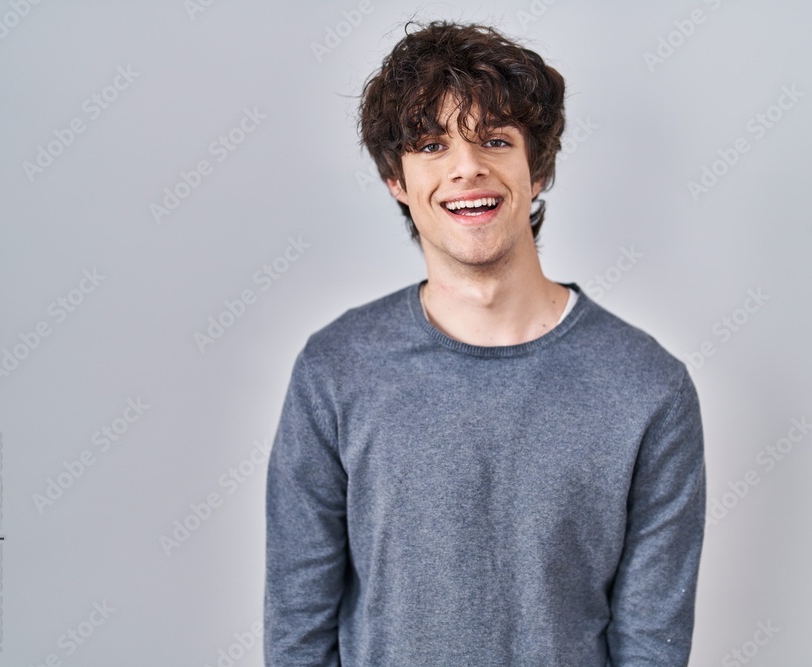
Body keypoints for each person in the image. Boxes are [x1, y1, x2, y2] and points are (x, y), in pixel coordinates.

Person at [264, 20, 706, 667]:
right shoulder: (335, 372)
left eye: (495, 140)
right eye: (432, 144)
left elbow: (650, 649)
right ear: (396, 180)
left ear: (538, 169)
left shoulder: (649, 390)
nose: (467, 168)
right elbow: (297, 635)